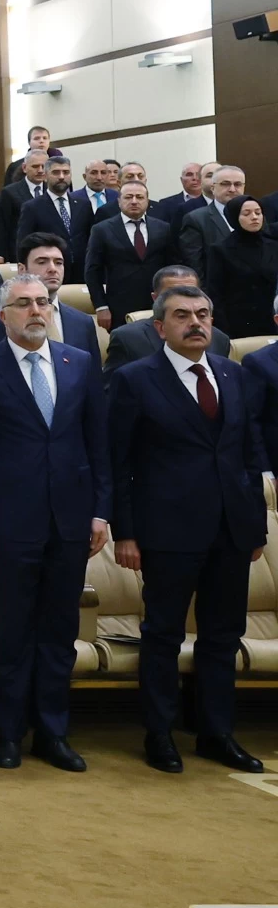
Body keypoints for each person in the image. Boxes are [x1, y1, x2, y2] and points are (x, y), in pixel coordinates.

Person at [0, 274, 110, 771]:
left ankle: (53, 733)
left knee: (60, 630)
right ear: (4, 316)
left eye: (43, 302)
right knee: (16, 631)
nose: (35, 311)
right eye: (23, 304)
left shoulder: (79, 363)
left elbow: (98, 445)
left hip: (70, 520)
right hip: (8, 521)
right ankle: (9, 733)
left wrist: (101, 511)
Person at [107, 284, 265, 774]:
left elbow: (248, 454)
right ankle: (160, 733)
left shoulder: (234, 375)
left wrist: (255, 525)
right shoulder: (135, 379)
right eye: (182, 315)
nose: (195, 323)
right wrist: (125, 532)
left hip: (232, 528)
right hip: (167, 529)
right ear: (160, 327)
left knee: (222, 634)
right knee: (163, 634)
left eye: (202, 314)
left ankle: (216, 733)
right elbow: (120, 463)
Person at [83, 180, 169, 331]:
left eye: (139, 197)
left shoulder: (163, 228)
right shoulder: (102, 230)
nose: (134, 201)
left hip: (156, 303)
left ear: (147, 201)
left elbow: (170, 265)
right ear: (119, 201)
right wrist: (101, 306)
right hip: (118, 305)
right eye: (128, 197)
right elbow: (92, 271)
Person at [200, 195, 277, 335]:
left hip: (273, 319)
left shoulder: (273, 245)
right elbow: (216, 293)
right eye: (247, 213)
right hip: (239, 323)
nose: (254, 217)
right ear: (234, 217)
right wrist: (224, 330)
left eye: (258, 213)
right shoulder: (221, 249)